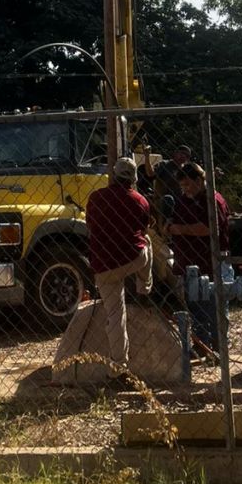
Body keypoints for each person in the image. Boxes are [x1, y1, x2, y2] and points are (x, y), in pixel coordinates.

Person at [85, 156, 152, 377]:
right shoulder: (140, 201)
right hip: (132, 259)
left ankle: (119, 368)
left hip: (103, 265)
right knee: (147, 243)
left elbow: (91, 226)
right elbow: (143, 230)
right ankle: (145, 288)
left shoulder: (95, 198)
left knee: (115, 314)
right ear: (133, 179)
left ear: (113, 175)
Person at [167, 161, 230, 357]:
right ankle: (203, 347)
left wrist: (181, 229)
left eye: (187, 185)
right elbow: (175, 220)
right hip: (190, 264)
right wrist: (169, 226)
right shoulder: (185, 199)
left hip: (211, 263)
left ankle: (219, 346)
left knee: (215, 308)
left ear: (198, 180)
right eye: (182, 186)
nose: (184, 189)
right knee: (195, 308)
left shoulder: (212, 200)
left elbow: (210, 228)